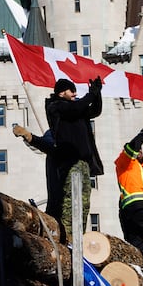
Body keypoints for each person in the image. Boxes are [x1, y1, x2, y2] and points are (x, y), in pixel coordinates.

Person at [43, 76, 104, 243]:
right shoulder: (56, 106)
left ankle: (78, 237)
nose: (75, 94)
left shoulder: (76, 108)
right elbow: (76, 108)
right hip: (69, 162)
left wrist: (97, 94)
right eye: (72, 90)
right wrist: (90, 94)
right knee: (71, 203)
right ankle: (68, 237)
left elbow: (94, 111)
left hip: (83, 163)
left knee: (83, 203)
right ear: (62, 93)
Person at [114, 122, 143, 254]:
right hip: (140, 205)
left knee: (138, 245)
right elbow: (132, 148)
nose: (139, 152)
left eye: (141, 150)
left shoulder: (142, 168)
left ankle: (140, 271)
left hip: (135, 209)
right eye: (137, 150)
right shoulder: (124, 162)